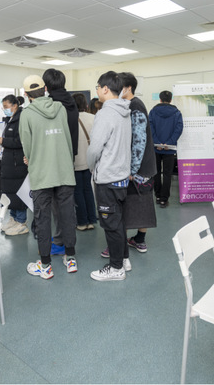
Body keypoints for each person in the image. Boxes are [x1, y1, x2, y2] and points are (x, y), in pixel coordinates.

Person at [19, 75, 77, 279]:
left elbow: (27, 145)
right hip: (64, 170)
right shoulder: (60, 108)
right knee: (67, 215)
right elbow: (67, 137)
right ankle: (71, 259)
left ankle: (45, 266)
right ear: (45, 89)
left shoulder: (27, 114)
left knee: (42, 218)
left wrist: (30, 159)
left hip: (41, 173)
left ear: (26, 94)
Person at [88, 71, 132, 281]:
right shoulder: (125, 111)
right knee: (119, 221)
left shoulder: (105, 114)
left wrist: (91, 168)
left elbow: (94, 148)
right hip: (122, 176)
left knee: (111, 225)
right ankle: (124, 259)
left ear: (105, 89)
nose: (97, 90)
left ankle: (116, 269)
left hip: (107, 177)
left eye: (97, 87)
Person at [118, 72, 156, 257]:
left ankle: (122, 245)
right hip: (144, 167)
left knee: (130, 207)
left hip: (139, 170)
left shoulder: (135, 106)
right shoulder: (132, 105)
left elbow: (139, 141)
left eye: (118, 86)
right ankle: (139, 240)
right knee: (141, 205)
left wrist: (132, 170)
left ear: (127, 88)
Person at [44, 68, 80, 252]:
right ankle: (66, 240)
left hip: (53, 157)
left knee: (56, 205)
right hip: (69, 156)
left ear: (46, 86)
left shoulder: (51, 105)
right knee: (65, 202)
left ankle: (59, 242)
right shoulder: (71, 102)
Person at [0, 95, 29, 235]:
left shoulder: (22, 119)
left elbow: (21, 141)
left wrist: (3, 141)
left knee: (18, 193)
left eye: (6, 107)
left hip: (17, 163)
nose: (5, 109)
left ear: (15, 105)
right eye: (3, 107)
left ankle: (21, 222)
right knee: (9, 193)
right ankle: (13, 218)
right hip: (8, 162)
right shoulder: (10, 120)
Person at [149, 90, 183, 208]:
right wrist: (169, 143)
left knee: (156, 173)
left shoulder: (153, 112)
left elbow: (150, 127)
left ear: (160, 99)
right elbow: (179, 128)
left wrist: (157, 142)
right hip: (170, 148)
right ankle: (164, 199)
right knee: (168, 174)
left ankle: (158, 196)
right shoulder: (177, 113)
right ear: (171, 100)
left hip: (155, 148)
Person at [72, 93, 97, 231]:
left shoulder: (70, 119)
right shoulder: (93, 118)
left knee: (78, 191)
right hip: (90, 160)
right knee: (88, 189)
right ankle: (91, 220)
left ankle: (82, 222)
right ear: (85, 104)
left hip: (75, 160)